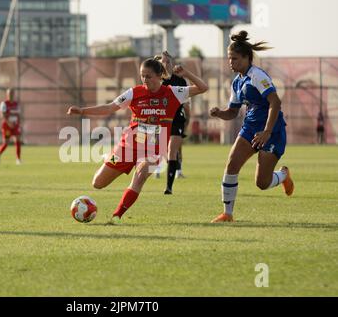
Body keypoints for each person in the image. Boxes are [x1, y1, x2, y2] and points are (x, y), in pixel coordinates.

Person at [67, 58, 208, 224]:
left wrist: (186, 74)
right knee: (97, 183)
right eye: (142, 76)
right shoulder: (134, 92)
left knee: (140, 175)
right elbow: (109, 108)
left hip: (154, 149)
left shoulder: (173, 92)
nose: (145, 80)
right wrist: (82, 111)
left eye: (148, 76)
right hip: (128, 146)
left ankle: (117, 216)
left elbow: (202, 88)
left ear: (160, 76)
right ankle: (108, 157)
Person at [209, 31, 294, 223]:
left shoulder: (257, 75)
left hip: (272, 131)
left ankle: (283, 175)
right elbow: (232, 112)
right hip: (250, 129)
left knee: (262, 183)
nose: (231, 62)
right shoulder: (237, 82)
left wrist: (267, 132)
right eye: (229, 59)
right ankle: (227, 214)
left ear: (247, 58)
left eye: (235, 58)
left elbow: (275, 103)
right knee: (231, 164)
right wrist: (219, 113)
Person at [155, 51, 192, 194]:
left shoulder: (180, 81)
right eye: (162, 62)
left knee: (172, 151)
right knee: (157, 151)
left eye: (168, 62)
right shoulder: (155, 81)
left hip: (176, 120)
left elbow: (186, 105)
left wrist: (187, 122)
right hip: (158, 121)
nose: (166, 64)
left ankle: (169, 187)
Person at [0, 88, 22, 165]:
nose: (11, 95)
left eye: (12, 94)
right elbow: (3, 114)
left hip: (15, 125)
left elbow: (18, 114)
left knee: (18, 140)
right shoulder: (4, 103)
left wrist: (18, 123)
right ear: (7, 94)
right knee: (6, 143)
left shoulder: (16, 104)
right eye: (9, 94)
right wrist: (9, 123)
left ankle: (18, 159)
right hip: (7, 126)